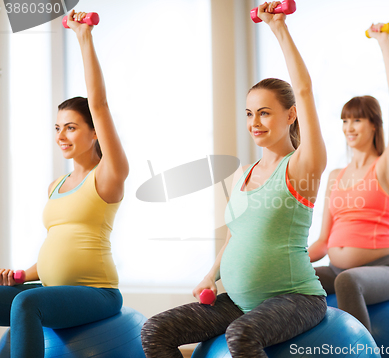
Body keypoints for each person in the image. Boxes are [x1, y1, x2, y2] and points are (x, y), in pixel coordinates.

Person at [141, 2, 328, 357]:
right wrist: (211, 273)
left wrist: (278, 29)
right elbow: (235, 234)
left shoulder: (302, 166)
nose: (254, 122)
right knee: (155, 331)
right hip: (239, 301)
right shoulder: (245, 173)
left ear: (290, 116)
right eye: (249, 114)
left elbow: (304, 92)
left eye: (264, 113)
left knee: (241, 336)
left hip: (295, 298)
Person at [0, 10, 128, 358]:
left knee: (26, 305)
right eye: (57, 128)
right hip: (50, 288)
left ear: (94, 131)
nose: (61, 135)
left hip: (97, 292)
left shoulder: (108, 174)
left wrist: (83, 36)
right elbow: (58, 247)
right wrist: (21, 274)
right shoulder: (56, 185)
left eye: (71, 127)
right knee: (17, 297)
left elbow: (99, 104)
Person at [308, 23, 389, 332]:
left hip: (383, 269)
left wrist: (383, 42)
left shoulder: (387, 166)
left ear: (375, 125)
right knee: (291, 281)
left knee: (347, 280)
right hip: (336, 267)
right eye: (344, 121)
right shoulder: (336, 175)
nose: (349, 127)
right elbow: (324, 241)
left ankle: (361, 353)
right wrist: (286, 261)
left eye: (358, 120)